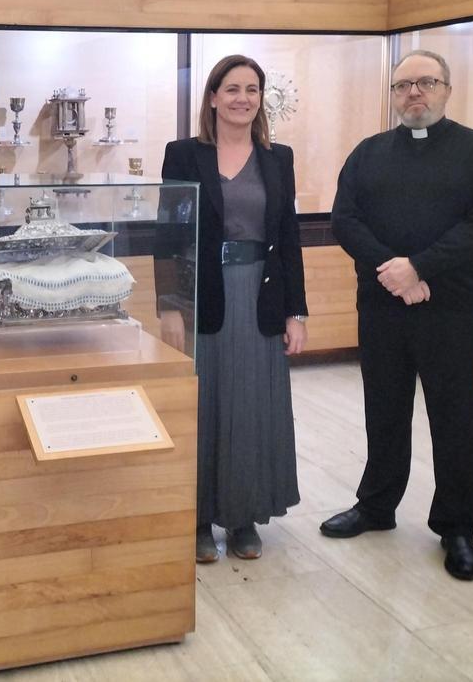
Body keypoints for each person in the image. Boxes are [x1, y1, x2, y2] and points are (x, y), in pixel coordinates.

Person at [322, 49, 473, 582]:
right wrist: (393, 271)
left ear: (447, 90)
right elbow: (344, 219)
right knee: (383, 411)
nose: (414, 94)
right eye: (402, 86)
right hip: (382, 309)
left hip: (451, 310)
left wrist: (420, 268)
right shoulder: (369, 152)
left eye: (426, 83)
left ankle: (457, 527)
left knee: (453, 419)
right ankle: (376, 506)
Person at [160, 54, 308, 563]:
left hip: (260, 295)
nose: (243, 98)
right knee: (203, 404)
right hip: (203, 295)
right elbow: (169, 234)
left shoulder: (278, 158)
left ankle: (244, 517)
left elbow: (289, 239)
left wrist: (297, 312)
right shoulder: (183, 155)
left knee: (251, 406)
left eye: (252, 89)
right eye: (232, 89)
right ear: (213, 97)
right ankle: (198, 518)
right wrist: (169, 305)